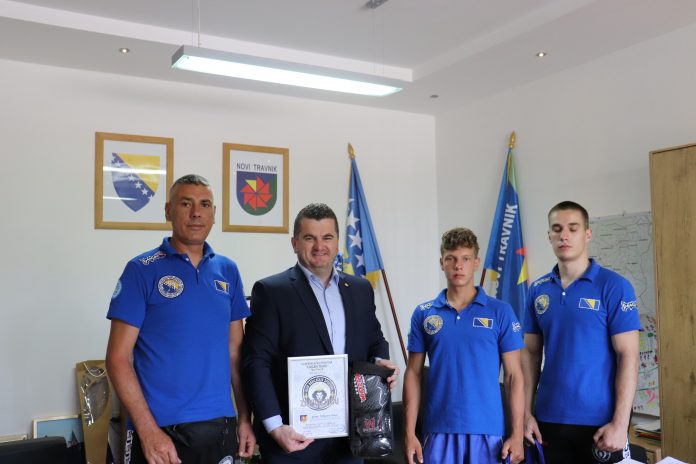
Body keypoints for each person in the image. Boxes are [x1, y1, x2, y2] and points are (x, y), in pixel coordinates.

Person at [106, 174, 255, 464]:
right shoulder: (141, 270)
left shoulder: (228, 270)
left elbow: (235, 353)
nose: (196, 212)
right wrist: (148, 431)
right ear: (168, 211)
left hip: (220, 425)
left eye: (205, 204)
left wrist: (244, 418)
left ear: (214, 214)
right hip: (161, 430)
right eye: (186, 203)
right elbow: (117, 358)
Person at [242, 203, 398, 464]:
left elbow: (375, 341)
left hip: (351, 439)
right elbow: (256, 362)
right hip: (292, 439)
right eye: (309, 238)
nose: (319, 246)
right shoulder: (272, 291)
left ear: (337, 242)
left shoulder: (360, 289)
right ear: (294, 243)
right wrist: (274, 426)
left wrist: (381, 364)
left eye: (327, 237)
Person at [522, 201, 641, 463]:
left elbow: (629, 357)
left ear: (587, 234)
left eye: (573, 228)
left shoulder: (615, 286)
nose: (564, 235)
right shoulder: (537, 290)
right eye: (557, 229)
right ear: (549, 236)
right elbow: (530, 354)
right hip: (548, 420)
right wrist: (525, 413)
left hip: (601, 424)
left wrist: (620, 424)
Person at [403, 227, 525, 464]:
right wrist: (409, 434)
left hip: (489, 431)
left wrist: (517, 434)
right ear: (441, 263)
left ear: (476, 262)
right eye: (451, 258)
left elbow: (514, 376)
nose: (458, 266)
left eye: (466, 259)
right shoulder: (424, 313)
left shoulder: (501, 311)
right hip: (438, 428)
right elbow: (413, 374)